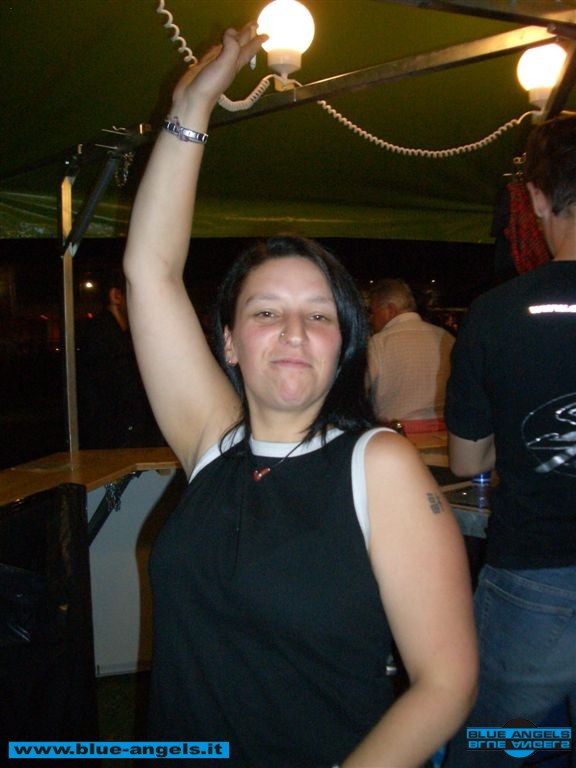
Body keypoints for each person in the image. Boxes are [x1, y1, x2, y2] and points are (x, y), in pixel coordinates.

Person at [123, 25, 477, 767]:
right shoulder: (213, 445)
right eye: (265, 312)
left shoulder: (376, 466)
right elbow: (150, 268)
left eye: (318, 315)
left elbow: (445, 682)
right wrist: (192, 108)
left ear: (344, 343)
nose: (292, 330)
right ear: (229, 343)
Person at [443, 115, 576, 768]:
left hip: (535, 575)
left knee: (491, 748)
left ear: (539, 198)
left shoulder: (496, 313)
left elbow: (467, 460)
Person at [77, 272, 163, 448]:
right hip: (113, 443)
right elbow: (122, 396)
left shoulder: (119, 335)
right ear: (116, 296)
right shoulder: (104, 337)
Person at [367, 278, 455, 434]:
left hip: (396, 436)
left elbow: (357, 392)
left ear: (390, 310)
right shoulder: (446, 338)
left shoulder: (379, 343)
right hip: (445, 434)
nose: (371, 319)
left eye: (373, 312)